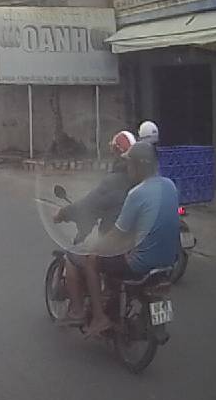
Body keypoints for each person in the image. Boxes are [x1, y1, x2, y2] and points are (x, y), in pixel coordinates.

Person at [62, 140, 180, 335]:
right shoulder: (170, 185)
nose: (128, 168)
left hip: (140, 264)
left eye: (130, 164)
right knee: (117, 256)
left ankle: (99, 318)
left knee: (92, 260)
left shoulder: (137, 193)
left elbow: (117, 234)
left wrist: (96, 247)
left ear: (138, 166)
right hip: (169, 262)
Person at [53, 130, 137, 240]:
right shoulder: (143, 177)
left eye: (113, 151)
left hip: (114, 242)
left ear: (117, 152)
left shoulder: (115, 181)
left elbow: (89, 205)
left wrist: (63, 213)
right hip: (138, 238)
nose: (112, 155)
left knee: (90, 250)